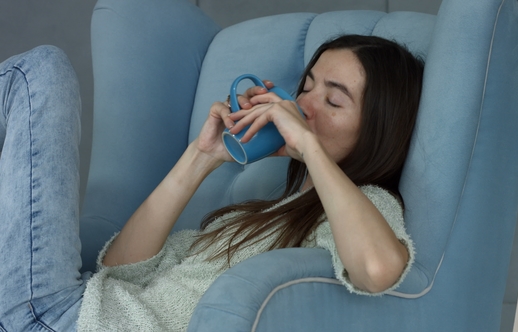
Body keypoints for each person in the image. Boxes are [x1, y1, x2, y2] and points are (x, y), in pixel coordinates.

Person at [0, 34, 424, 331]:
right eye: (306, 87)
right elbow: (118, 271)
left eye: (333, 100)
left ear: (377, 130)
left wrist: (308, 145)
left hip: (58, 321)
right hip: (80, 312)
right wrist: (204, 155)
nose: (301, 106)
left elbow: (377, 270)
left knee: (38, 72)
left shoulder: (368, 205)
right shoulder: (258, 215)